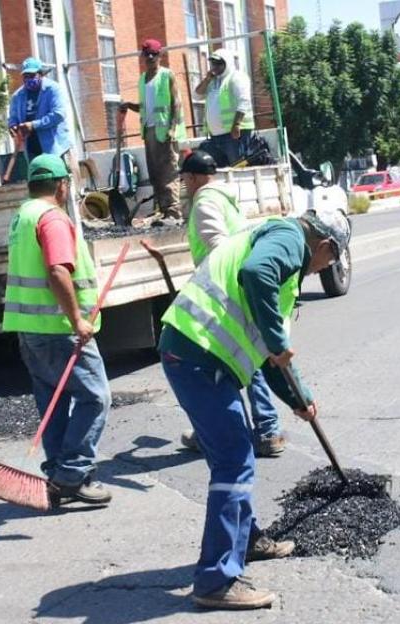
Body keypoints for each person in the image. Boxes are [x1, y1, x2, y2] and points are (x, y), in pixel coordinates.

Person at [158, 205, 352, 610]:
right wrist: (280, 344)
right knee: (234, 460)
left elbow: (269, 355)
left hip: (202, 357)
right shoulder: (288, 239)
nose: (322, 269)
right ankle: (216, 580)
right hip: (198, 355)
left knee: (232, 455)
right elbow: (254, 276)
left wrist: (301, 398)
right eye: (330, 260)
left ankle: (246, 540)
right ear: (325, 245)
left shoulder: (285, 256)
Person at [3, 154, 112, 505]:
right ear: (62, 184)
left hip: (30, 329)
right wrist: (78, 319)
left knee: (53, 398)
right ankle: (71, 475)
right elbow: (58, 271)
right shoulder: (52, 218)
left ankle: (58, 472)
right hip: (58, 327)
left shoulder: (23, 215)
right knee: (95, 397)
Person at [173, 151, 284, 458]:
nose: (185, 185)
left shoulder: (206, 201)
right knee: (247, 356)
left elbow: (218, 246)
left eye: (185, 179)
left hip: (222, 294)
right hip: (238, 289)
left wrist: (210, 283)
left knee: (228, 361)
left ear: (194, 178)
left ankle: (243, 429)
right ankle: (265, 429)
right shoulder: (226, 199)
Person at [117, 39, 186, 220]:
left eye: (153, 54)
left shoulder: (166, 75)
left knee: (168, 172)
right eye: (146, 54)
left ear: (160, 55)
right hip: (149, 131)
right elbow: (145, 107)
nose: (150, 58)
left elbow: (176, 103)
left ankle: (173, 212)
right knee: (155, 173)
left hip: (165, 132)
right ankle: (162, 211)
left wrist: (172, 129)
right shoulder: (142, 79)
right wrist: (129, 105)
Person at [7, 57, 74, 163]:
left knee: (57, 177)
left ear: (41, 74)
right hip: (32, 149)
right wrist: (13, 125)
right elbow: (13, 117)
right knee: (37, 178)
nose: (28, 79)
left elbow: (59, 114)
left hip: (55, 149)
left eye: (32, 75)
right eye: (25, 76)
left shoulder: (53, 89)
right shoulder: (18, 96)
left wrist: (34, 125)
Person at [194, 49, 254, 167]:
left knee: (238, 169)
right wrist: (207, 79)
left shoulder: (236, 77)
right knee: (223, 173)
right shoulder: (212, 81)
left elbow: (244, 101)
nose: (215, 67)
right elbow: (196, 96)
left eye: (219, 63)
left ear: (227, 63)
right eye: (213, 64)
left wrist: (236, 124)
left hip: (235, 135)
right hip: (216, 137)